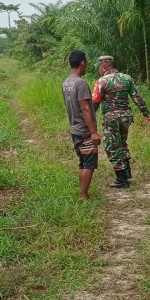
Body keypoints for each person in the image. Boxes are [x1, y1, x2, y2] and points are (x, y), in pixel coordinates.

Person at [91, 55, 150, 188]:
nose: (99, 70)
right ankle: (127, 172)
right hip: (126, 118)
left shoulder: (101, 81)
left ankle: (121, 179)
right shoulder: (126, 78)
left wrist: (89, 118)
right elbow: (136, 97)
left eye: (100, 68)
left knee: (113, 147)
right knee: (122, 143)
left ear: (105, 67)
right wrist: (146, 113)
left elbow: (95, 102)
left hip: (111, 119)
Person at [62, 50, 101, 199]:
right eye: (86, 62)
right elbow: (85, 107)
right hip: (84, 129)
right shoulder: (81, 83)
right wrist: (93, 132)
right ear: (83, 62)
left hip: (74, 128)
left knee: (83, 162)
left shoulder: (66, 83)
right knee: (90, 163)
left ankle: (84, 193)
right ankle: (83, 195)